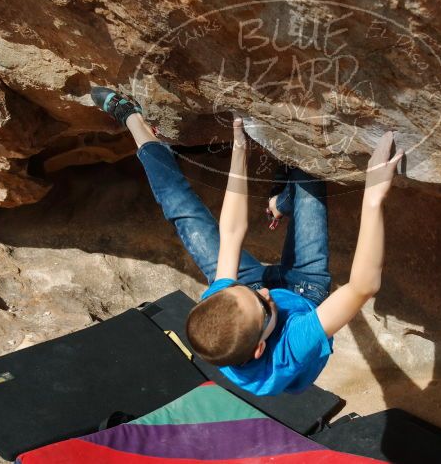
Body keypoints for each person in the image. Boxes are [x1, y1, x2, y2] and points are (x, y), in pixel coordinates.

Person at [91, 87, 403, 396]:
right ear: (260, 348)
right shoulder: (288, 349)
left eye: (239, 292)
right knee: (309, 176)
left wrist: (239, 149)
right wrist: (373, 195)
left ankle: (133, 121)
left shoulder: (224, 313)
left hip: (249, 297)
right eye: (264, 304)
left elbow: (230, 234)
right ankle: (283, 200)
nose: (266, 292)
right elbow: (362, 286)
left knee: (183, 212)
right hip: (304, 293)